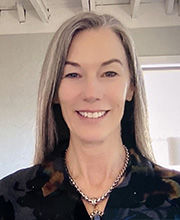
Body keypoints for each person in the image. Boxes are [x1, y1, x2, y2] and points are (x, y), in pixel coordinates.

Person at [0, 12, 180, 220]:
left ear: (131, 87)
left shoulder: (175, 198)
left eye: (109, 73)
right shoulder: (9, 199)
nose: (91, 93)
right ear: (54, 91)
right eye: (73, 74)